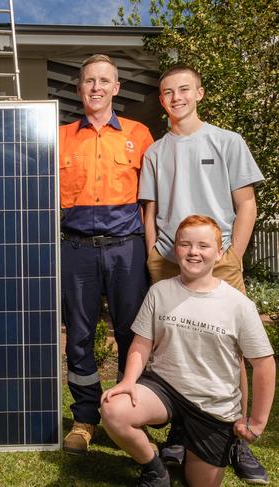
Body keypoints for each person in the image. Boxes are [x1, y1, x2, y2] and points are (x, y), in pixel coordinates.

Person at [139, 64, 267, 483]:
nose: (175, 97)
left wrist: (233, 255)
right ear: (162, 100)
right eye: (167, 92)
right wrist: (152, 258)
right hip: (168, 260)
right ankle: (179, 433)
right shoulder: (155, 152)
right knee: (169, 346)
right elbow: (151, 212)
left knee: (234, 350)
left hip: (219, 259)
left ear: (199, 94)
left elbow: (246, 203)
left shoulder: (227, 141)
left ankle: (239, 439)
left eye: (183, 90)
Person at [100, 215, 275, 487]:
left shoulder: (239, 305)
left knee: (199, 483)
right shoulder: (159, 292)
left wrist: (258, 421)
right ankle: (154, 470)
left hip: (212, 406)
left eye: (203, 246)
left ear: (219, 253)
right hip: (164, 389)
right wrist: (128, 381)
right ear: (176, 250)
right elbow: (142, 343)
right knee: (114, 409)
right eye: (185, 244)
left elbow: (264, 364)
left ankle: (208, 442)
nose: (194, 252)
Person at [59, 54, 154, 454]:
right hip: (76, 250)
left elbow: (152, 201)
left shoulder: (140, 134)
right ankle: (85, 419)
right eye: (88, 81)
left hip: (127, 250)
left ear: (116, 88)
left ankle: (132, 412)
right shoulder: (60, 136)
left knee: (133, 335)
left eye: (104, 81)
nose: (96, 87)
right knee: (78, 338)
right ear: (80, 88)